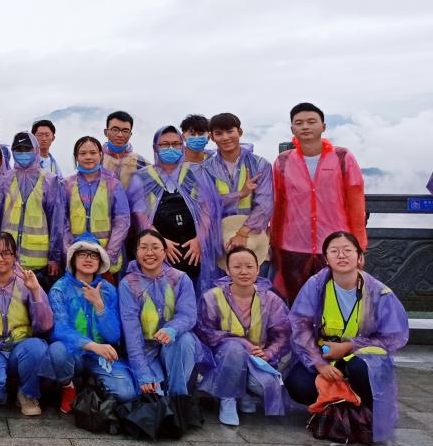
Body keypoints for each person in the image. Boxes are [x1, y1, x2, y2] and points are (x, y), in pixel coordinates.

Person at [285, 231, 409, 443]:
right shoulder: (316, 286)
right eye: (334, 251)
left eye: (347, 250)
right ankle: (336, 403)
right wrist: (319, 364)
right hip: (324, 355)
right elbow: (300, 327)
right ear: (326, 258)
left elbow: (394, 336)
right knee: (298, 385)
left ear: (360, 257)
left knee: (360, 369)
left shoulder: (379, 293)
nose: (341, 255)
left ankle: (366, 409)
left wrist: (350, 346)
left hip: (362, 357)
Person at [271, 102, 367, 303]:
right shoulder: (283, 162)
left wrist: (359, 246)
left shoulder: (342, 157)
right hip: (293, 246)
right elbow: (278, 206)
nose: (305, 126)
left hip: (336, 245)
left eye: (311, 121)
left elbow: (356, 204)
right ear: (292, 129)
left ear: (323, 126)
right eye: (299, 123)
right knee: (297, 303)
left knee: (337, 301)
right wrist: (274, 244)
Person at [196, 247, 291, 426]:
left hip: (256, 361)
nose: (244, 271)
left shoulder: (271, 300)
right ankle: (228, 399)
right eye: (237, 267)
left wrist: (269, 353)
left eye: (249, 266)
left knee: (266, 387)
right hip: (221, 360)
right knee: (233, 348)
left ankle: (244, 392)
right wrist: (240, 342)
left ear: (258, 269)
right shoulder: (212, 298)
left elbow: (283, 335)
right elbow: (204, 333)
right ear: (227, 270)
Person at [127, 126, 223, 294]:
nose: (170, 148)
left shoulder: (196, 172)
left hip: (194, 246)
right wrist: (160, 243)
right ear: (155, 147)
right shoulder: (142, 177)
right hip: (159, 248)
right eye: (164, 144)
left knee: (195, 291)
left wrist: (200, 239)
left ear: (182, 146)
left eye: (175, 144)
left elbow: (207, 208)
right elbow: (139, 215)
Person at [0, 232, 53, 416]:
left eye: (6, 253)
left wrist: (35, 291)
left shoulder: (26, 282)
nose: (0, 258)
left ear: (15, 256)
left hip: (21, 349)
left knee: (37, 348)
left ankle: (27, 394)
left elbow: (45, 325)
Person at [49, 241, 137, 414]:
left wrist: (99, 305)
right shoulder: (59, 289)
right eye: (83, 254)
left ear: (100, 262)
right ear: (73, 259)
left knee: (126, 393)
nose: (88, 259)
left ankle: (94, 384)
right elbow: (60, 329)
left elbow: (113, 336)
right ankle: (68, 387)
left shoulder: (109, 290)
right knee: (57, 350)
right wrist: (92, 346)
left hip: (101, 356)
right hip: (74, 353)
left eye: (94, 255)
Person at [118, 229, 203, 397]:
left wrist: (171, 329)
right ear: (136, 253)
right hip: (146, 351)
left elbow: (188, 315)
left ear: (164, 252)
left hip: (173, 343)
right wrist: (142, 372)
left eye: (155, 247)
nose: (149, 253)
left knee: (185, 340)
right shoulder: (128, 284)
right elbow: (131, 332)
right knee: (154, 394)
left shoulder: (180, 278)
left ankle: (178, 398)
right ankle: (166, 393)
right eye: (144, 248)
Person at [0, 132, 64, 292]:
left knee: (38, 302)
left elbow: (56, 222)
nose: (23, 153)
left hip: (39, 264)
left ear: (36, 150)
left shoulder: (50, 180)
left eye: (27, 149)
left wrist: (54, 257)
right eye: (19, 149)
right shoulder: (4, 180)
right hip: (7, 260)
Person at [201, 113, 274, 266]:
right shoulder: (205, 169)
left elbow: (265, 205)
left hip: (251, 239)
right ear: (212, 137)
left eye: (230, 131)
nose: (225, 137)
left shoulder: (260, 164)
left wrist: (242, 233)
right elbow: (204, 204)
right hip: (218, 241)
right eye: (219, 133)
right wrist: (239, 194)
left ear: (239, 132)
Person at [61, 136, 131, 282]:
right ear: (76, 157)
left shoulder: (113, 184)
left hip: (107, 259)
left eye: (93, 153)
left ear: (100, 155)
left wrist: (108, 255)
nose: (88, 157)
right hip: (77, 257)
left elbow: (122, 221)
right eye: (83, 153)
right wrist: (70, 251)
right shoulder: (66, 185)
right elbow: (62, 221)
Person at [101, 111, 148, 190]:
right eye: (115, 130)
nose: (120, 135)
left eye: (125, 131)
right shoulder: (96, 160)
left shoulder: (141, 162)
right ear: (106, 132)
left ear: (130, 134)